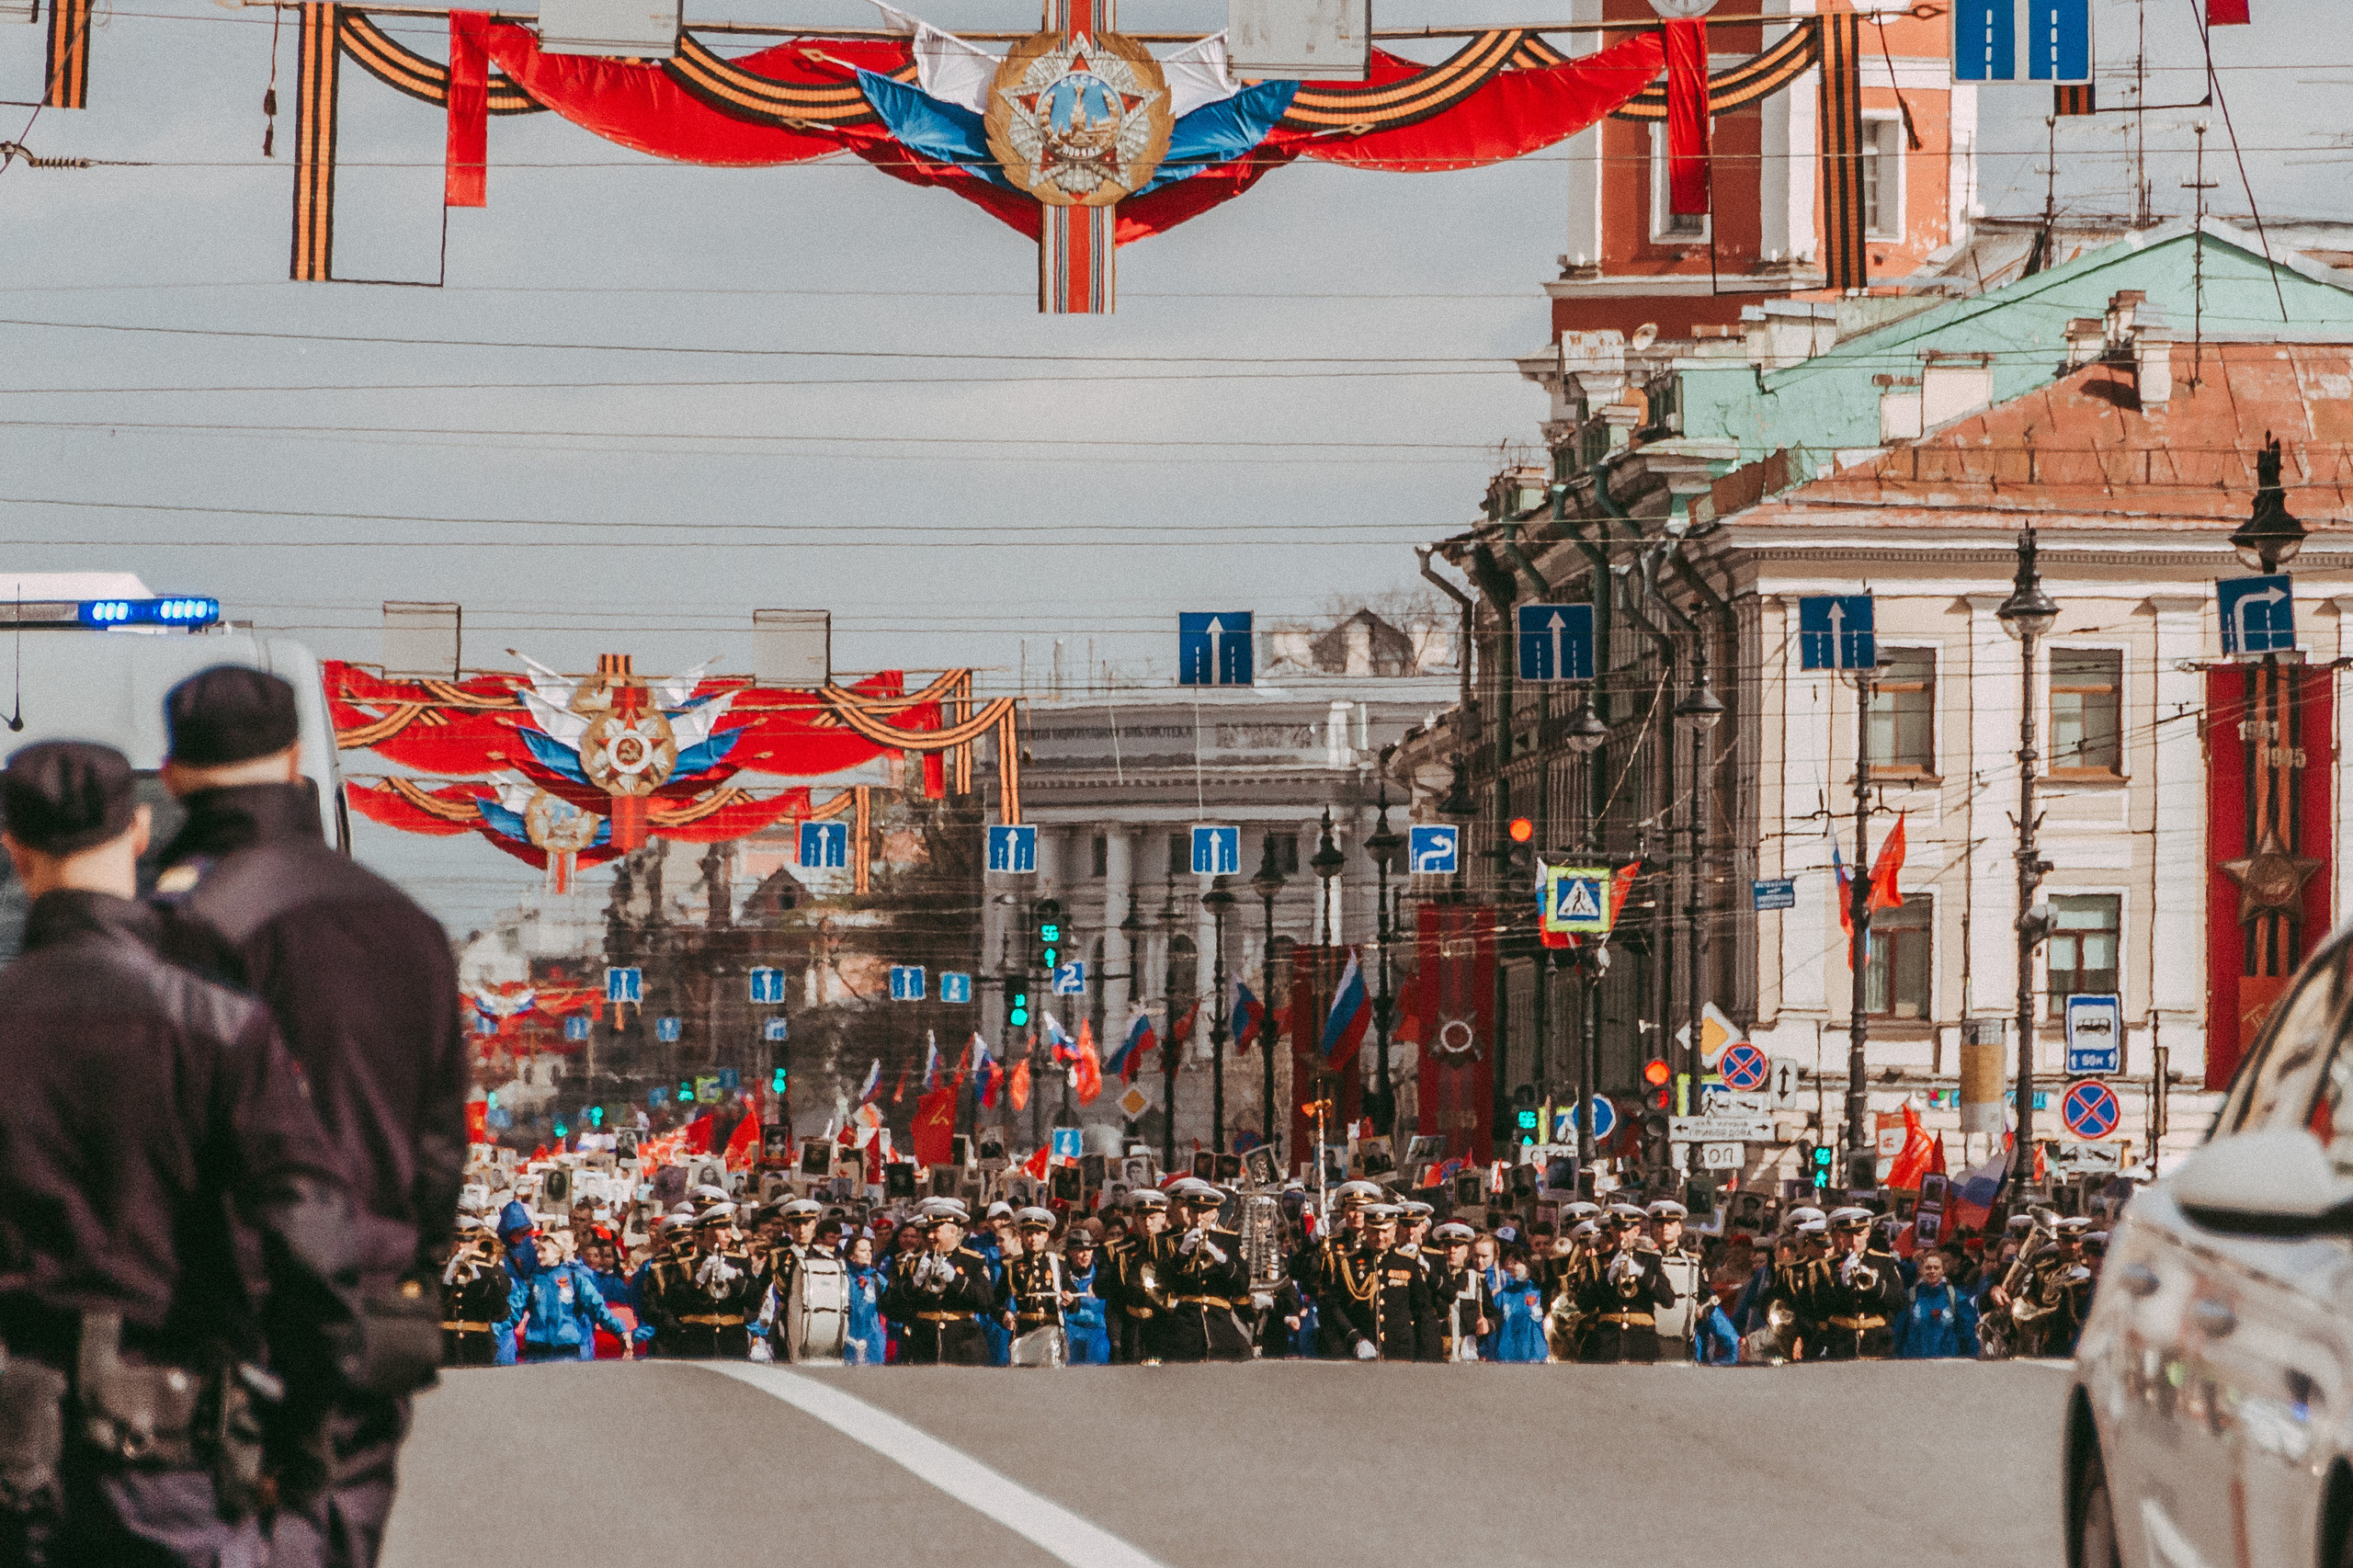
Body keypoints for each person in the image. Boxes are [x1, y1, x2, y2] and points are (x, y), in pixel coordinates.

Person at [0, 741, 361, 1567]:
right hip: (174, 1450)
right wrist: (305, 1450)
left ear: (14, 848)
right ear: (136, 833)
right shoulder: (218, 1028)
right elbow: (312, 1244)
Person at [150, 667, 466, 1568]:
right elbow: (440, 1147)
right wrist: (410, 1270)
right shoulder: (408, 925)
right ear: (295, 760)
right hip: (368, 1309)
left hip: (215, 1310)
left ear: (173, 774)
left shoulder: (180, 921)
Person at [1313, 1203, 1433, 1361]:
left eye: (1385, 1231)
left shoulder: (1407, 1263)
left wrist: (1428, 1356)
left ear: (1395, 1230)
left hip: (1400, 1352)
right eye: (1375, 1231)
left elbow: (1423, 1312)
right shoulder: (1347, 1264)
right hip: (1361, 1351)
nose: (1380, 1237)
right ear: (1366, 1230)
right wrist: (1355, 1338)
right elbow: (1333, 1307)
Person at [881, 1200, 994, 1365]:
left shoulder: (973, 1261)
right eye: (928, 1231)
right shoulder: (914, 1262)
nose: (930, 1236)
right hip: (924, 1345)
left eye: (936, 1231)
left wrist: (956, 1279)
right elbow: (889, 1307)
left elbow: (986, 1301)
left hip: (962, 1344)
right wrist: (913, 1285)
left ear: (953, 1231)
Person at [1154, 1180, 1253, 1363]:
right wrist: (1182, 1253)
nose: (1199, 1217)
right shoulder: (1173, 1242)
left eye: (1204, 1212)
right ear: (1189, 1212)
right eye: (1194, 1211)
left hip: (1219, 1323)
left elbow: (1242, 1283)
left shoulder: (1229, 1241)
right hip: (1185, 1326)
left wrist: (1223, 1259)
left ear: (1214, 1213)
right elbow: (1163, 1282)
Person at [507, 1235, 632, 1364]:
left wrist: (620, 1330)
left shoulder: (575, 1279)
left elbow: (597, 1306)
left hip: (567, 1350)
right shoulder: (532, 1281)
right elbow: (512, 1311)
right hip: (536, 1350)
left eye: (543, 1250)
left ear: (558, 1251)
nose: (539, 1255)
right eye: (537, 1250)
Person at [1572, 1207, 1675, 1363]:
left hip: (1641, 1342)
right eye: (1617, 1229)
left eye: (1626, 1230)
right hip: (1607, 1343)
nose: (1621, 1235)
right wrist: (1607, 1277)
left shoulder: (1650, 1260)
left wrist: (1642, 1274)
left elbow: (1668, 1299)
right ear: (1611, 1230)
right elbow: (1585, 1305)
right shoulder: (1597, 1262)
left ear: (1636, 1231)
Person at [1806, 1208, 1906, 1360]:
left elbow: (1898, 1302)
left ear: (1867, 1233)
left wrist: (1876, 1286)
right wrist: (1842, 1283)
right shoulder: (1824, 1267)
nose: (1854, 1241)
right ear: (1840, 1235)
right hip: (1840, 1341)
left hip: (1876, 1341)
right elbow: (1819, 1308)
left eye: (1859, 1235)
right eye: (1848, 1235)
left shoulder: (1884, 1261)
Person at [1102, 1189, 1170, 1364]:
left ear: (1163, 1217)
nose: (1147, 1224)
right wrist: (1116, 1340)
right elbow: (1114, 1300)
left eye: (1152, 1218)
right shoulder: (1122, 1251)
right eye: (1142, 1218)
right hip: (1133, 1330)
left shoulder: (1172, 1247)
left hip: (1165, 1328)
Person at [438, 1217, 517, 1368]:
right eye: (457, 1240)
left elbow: (501, 1312)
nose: (461, 1245)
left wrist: (487, 1277)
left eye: (468, 1241)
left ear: (478, 1242)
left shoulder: (491, 1271)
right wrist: (447, 1276)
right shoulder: (441, 1269)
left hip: (478, 1345)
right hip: (447, 1345)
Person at [1893, 1249, 1980, 1359]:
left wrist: (1971, 1359)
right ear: (1921, 1270)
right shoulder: (1910, 1298)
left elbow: (1968, 1333)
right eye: (1928, 1267)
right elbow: (1898, 1332)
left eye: (1936, 1267)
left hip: (1947, 1362)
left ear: (1943, 1271)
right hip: (1915, 1361)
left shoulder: (1957, 1298)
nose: (1932, 1271)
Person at [1427, 1222, 1492, 1362]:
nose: (1452, 1251)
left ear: (1467, 1250)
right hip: (1435, 1351)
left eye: (1457, 1246)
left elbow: (1493, 1314)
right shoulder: (1431, 1280)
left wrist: (1487, 1324)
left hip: (1467, 1352)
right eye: (1447, 1246)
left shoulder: (1476, 1279)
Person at [576, 1232, 639, 1360]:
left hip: (609, 1327)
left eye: (597, 1256)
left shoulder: (618, 1283)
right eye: (589, 1255)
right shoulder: (583, 1278)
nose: (593, 1259)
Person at [1061, 1224, 1111, 1367]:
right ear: (1070, 1252)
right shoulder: (1061, 1275)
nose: (1086, 1255)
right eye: (1080, 1250)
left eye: (1089, 1250)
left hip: (1096, 1335)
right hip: (1070, 1336)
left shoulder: (1100, 1276)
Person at [1487, 1249, 1549, 1363]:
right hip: (1507, 1357)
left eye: (1516, 1262)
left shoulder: (1542, 1294)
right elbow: (1491, 1326)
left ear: (1529, 1265)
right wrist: (1487, 1352)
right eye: (1510, 1262)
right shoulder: (1503, 1295)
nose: (1511, 1266)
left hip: (1536, 1357)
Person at [842, 1233, 887, 1366]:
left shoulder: (876, 1278)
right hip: (848, 1334)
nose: (868, 1254)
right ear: (851, 1256)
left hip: (873, 1337)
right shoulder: (843, 1277)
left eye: (870, 1250)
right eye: (862, 1250)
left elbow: (891, 1302)